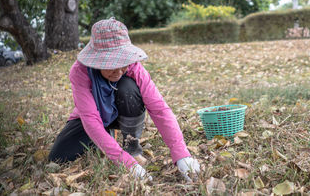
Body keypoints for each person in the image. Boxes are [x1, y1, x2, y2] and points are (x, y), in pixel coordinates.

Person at [48, 18, 200, 181]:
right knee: (58, 157)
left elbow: (159, 109)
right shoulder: (80, 71)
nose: (119, 71)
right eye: (112, 65)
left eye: (123, 64)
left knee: (128, 88)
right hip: (93, 115)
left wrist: (181, 154)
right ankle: (106, 136)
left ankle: (132, 147)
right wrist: (126, 164)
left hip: (124, 109)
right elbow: (90, 118)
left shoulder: (134, 67)